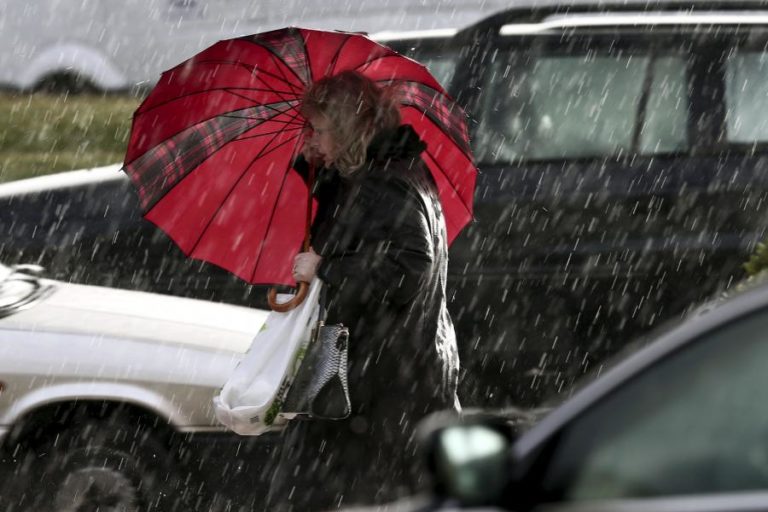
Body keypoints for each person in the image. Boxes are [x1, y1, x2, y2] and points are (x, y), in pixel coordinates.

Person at [263, 70, 460, 511]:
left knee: (320, 495)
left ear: (348, 129)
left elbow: (408, 269)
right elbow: (360, 226)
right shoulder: (384, 172)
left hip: (381, 382)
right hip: (383, 376)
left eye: (319, 129)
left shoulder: (387, 181)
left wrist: (325, 268)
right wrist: (313, 166)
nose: (312, 138)